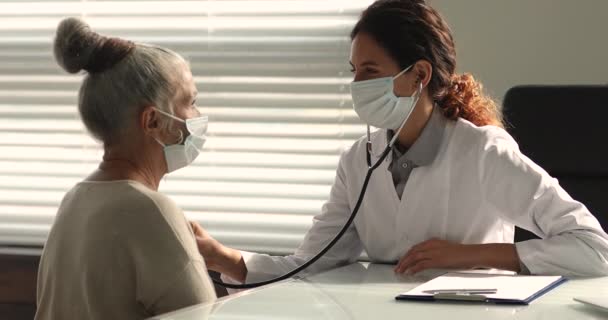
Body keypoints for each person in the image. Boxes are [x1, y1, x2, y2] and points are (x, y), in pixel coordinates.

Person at [194, 0, 608, 285]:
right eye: (353, 70)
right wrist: (220, 256)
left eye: (369, 70)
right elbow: (311, 264)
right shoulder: (359, 161)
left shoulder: (483, 152)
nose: (356, 85)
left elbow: (593, 249)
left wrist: (470, 255)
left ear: (419, 75)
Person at [35, 18, 216, 320]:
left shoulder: (75, 200)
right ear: (153, 121)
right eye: (191, 101)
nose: (197, 115)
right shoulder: (151, 211)